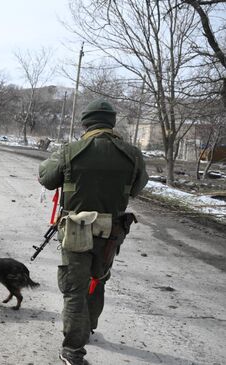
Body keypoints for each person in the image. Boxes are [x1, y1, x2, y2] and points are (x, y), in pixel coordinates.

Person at [38, 99, 148, 365]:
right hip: (112, 231)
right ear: (111, 122)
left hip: (76, 229)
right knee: (97, 279)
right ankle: (87, 328)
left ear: (85, 123)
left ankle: (73, 351)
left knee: (75, 289)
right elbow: (137, 188)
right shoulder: (131, 154)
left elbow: (45, 177)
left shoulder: (71, 150)